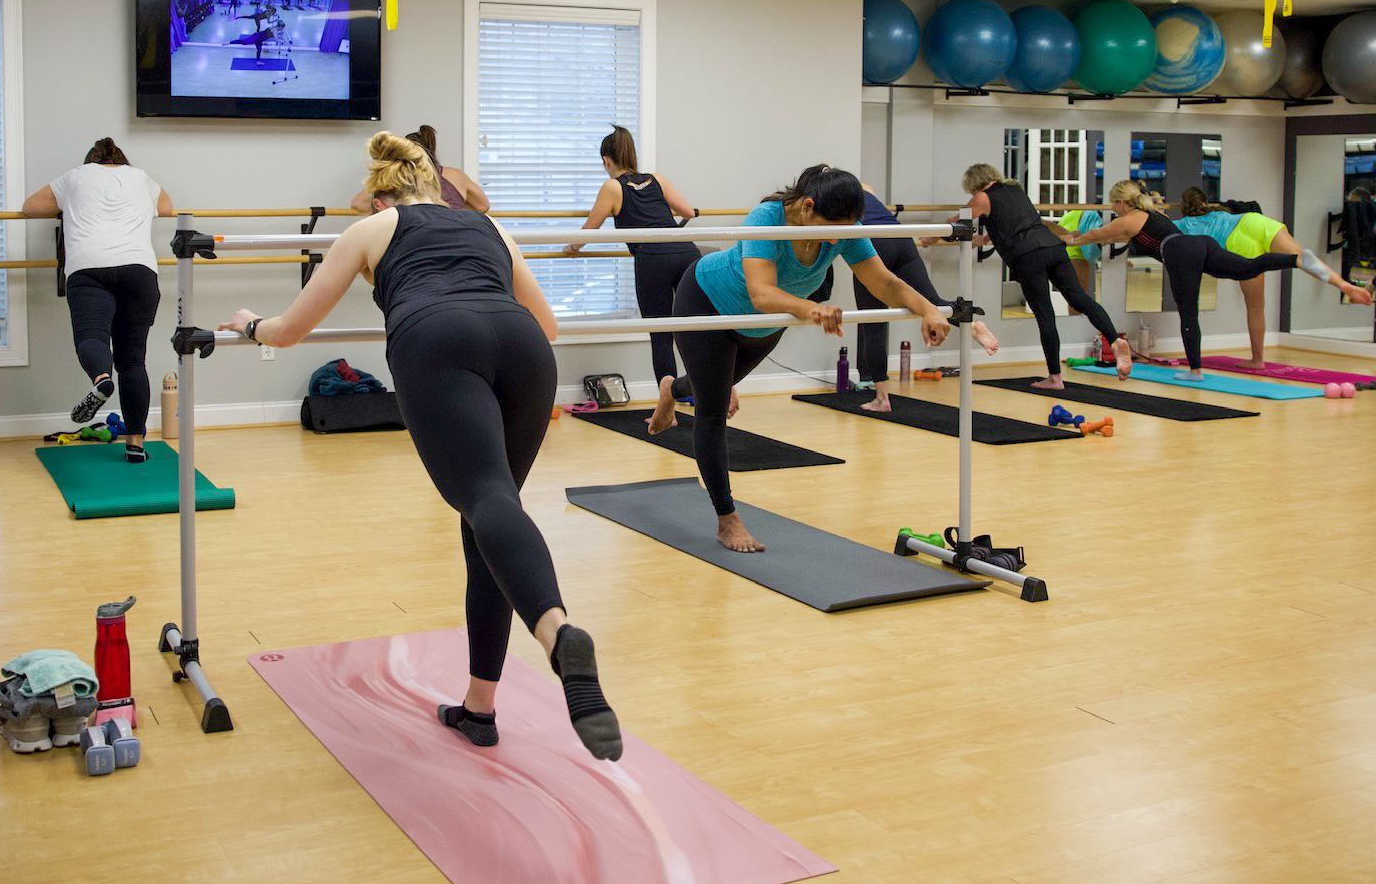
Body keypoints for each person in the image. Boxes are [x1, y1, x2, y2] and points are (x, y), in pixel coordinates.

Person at [226, 132, 619, 761]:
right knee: (493, 513)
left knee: (486, 501)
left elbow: (291, 330)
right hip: (523, 347)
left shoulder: (370, 231)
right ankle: (480, 708)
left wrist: (248, 325)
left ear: (380, 198)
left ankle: (556, 630)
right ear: (436, 189)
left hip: (437, 340)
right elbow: (547, 324)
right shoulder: (491, 229)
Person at [646, 165, 962, 554]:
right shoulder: (766, 218)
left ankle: (670, 389)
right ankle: (727, 520)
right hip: (707, 303)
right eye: (831, 227)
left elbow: (883, 281)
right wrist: (810, 309)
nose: (836, 239)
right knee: (712, 410)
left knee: (712, 384)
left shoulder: (840, 230)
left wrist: (928, 308)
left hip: (763, 326)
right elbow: (762, 292)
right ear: (807, 206)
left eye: (844, 230)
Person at [1079, 180, 1349, 381]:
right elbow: (1117, 236)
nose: (1113, 209)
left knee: (1188, 312)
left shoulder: (1130, 218)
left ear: (1122, 203)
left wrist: (1072, 239)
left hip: (1180, 252)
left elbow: (1098, 234)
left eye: (1113, 204)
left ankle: (1195, 371)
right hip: (1202, 245)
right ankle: (1297, 260)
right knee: (1245, 268)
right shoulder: (1153, 215)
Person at [22, 138, 174, 465]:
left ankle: (101, 381)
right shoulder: (140, 177)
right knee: (133, 361)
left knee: (91, 337)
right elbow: (167, 208)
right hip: (139, 269)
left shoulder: (75, 176)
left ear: (91, 161)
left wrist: (71, 205)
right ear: (121, 161)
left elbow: (29, 207)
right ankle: (135, 443)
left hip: (88, 268)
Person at [561, 126, 698, 401]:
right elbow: (688, 212)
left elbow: (589, 230)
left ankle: (668, 407)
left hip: (654, 260)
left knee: (661, 335)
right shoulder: (657, 178)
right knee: (695, 330)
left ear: (606, 160)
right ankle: (699, 393)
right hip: (686, 253)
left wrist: (571, 247)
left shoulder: (612, 187)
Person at [959, 164, 1125, 389]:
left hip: (1028, 257)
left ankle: (1055, 377)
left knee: (1045, 315)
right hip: (1053, 247)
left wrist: (932, 237)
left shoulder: (981, 197)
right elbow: (1015, 224)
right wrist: (985, 240)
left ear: (973, 183)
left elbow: (959, 223)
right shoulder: (1015, 190)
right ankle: (1114, 339)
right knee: (1079, 297)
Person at [1176, 189, 1373, 365]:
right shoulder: (1220, 212)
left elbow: (1152, 225)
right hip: (1252, 221)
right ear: (1204, 203)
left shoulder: (1182, 225)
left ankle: (1257, 359)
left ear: (1184, 207)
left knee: (1255, 306)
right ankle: (1343, 285)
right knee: (1299, 255)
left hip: (1236, 241)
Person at [855, 183, 997, 413]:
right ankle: (972, 325)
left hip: (870, 241)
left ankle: (882, 398)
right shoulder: (864, 186)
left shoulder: (830, 196)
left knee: (872, 322)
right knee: (931, 302)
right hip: (901, 237)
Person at [348, 125, 486, 213]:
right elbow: (482, 206)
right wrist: (456, 209)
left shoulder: (398, 176)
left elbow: (358, 204)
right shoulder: (456, 175)